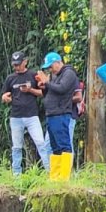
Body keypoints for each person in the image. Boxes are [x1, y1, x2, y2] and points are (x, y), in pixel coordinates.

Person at [1, 51, 51, 175]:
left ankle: (49, 171)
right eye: (14, 65)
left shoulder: (33, 75)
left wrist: (30, 90)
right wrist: (5, 98)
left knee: (41, 143)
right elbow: (4, 95)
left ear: (25, 62)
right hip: (16, 116)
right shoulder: (10, 78)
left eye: (18, 64)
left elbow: (43, 93)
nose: (16, 67)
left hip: (32, 116)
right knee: (16, 147)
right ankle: (16, 175)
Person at [37, 52, 77, 181]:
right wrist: (44, 87)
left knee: (64, 145)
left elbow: (62, 89)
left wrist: (47, 82)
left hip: (61, 113)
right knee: (55, 147)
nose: (50, 69)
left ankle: (64, 177)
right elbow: (51, 92)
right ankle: (55, 177)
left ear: (58, 62)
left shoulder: (68, 73)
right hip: (51, 114)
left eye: (51, 66)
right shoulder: (55, 75)